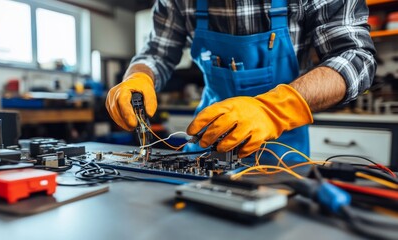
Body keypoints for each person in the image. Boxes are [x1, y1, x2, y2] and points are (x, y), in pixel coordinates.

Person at [106, 0, 376, 165]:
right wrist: (138, 76)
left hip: (282, 148)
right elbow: (157, 52)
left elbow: (355, 57)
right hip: (205, 143)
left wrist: (272, 110)